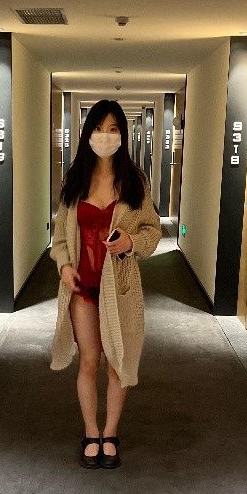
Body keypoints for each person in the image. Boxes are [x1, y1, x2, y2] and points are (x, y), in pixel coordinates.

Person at [49, 99, 162, 469]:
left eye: (113, 130)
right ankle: (91, 431)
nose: (105, 136)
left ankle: (111, 433)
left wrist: (131, 242)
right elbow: (60, 237)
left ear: (123, 135)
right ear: (88, 134)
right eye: (99, 129)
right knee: (89, 360)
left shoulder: (135, 182)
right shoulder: (74, 181)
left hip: (121, 288)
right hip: (82, 287)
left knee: (118, 361)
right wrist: (64, 265)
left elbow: (152, 231)